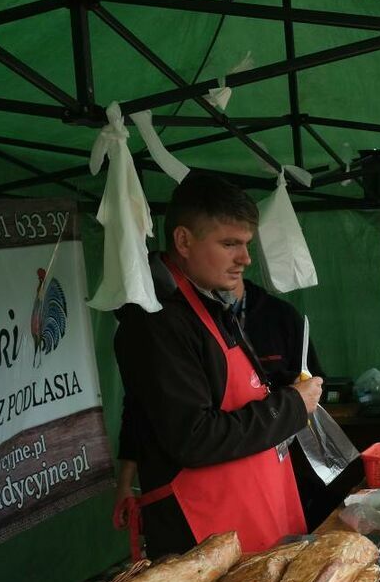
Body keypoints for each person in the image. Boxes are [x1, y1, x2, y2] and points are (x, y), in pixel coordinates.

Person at [113, 172, 323, 556]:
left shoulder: (207, 304)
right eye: (230, 244)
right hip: (205, 538)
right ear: (183, 241)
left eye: (246, 245)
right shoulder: (156, 323)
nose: (244, 258)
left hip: (253, 518)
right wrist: (291, 405)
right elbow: (194, 437)